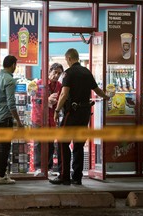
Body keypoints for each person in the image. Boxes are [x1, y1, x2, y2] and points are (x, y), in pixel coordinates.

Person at [50, 48, 110, 185]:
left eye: (66, 60)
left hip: (72, 112)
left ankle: (64, 177)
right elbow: (97, 90)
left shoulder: (68, 73)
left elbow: (64, 94)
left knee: (63, 142)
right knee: (78, 145)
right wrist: (106, 97)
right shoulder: (86, 72)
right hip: (85, 113)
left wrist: (57, 110)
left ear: (69, 58)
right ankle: (77, 177)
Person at [0, 55, 24, 184]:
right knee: (4, 147)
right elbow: (11, 103)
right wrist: (19, 122)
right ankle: (2, 176)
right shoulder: (9, 79)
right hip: (4, 118)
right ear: (13, 65)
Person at [30, 63, 64, 176]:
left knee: (50, 143)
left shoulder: (59, 86)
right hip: (39, 118)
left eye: (59, 73)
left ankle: (48, 168)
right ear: (49, 72)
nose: (56, 75)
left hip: (51, 118)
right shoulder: (39, 84)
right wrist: (47, 100)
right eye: (55, 72)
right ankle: (39, 168)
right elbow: (34, 100)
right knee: (38, 143)